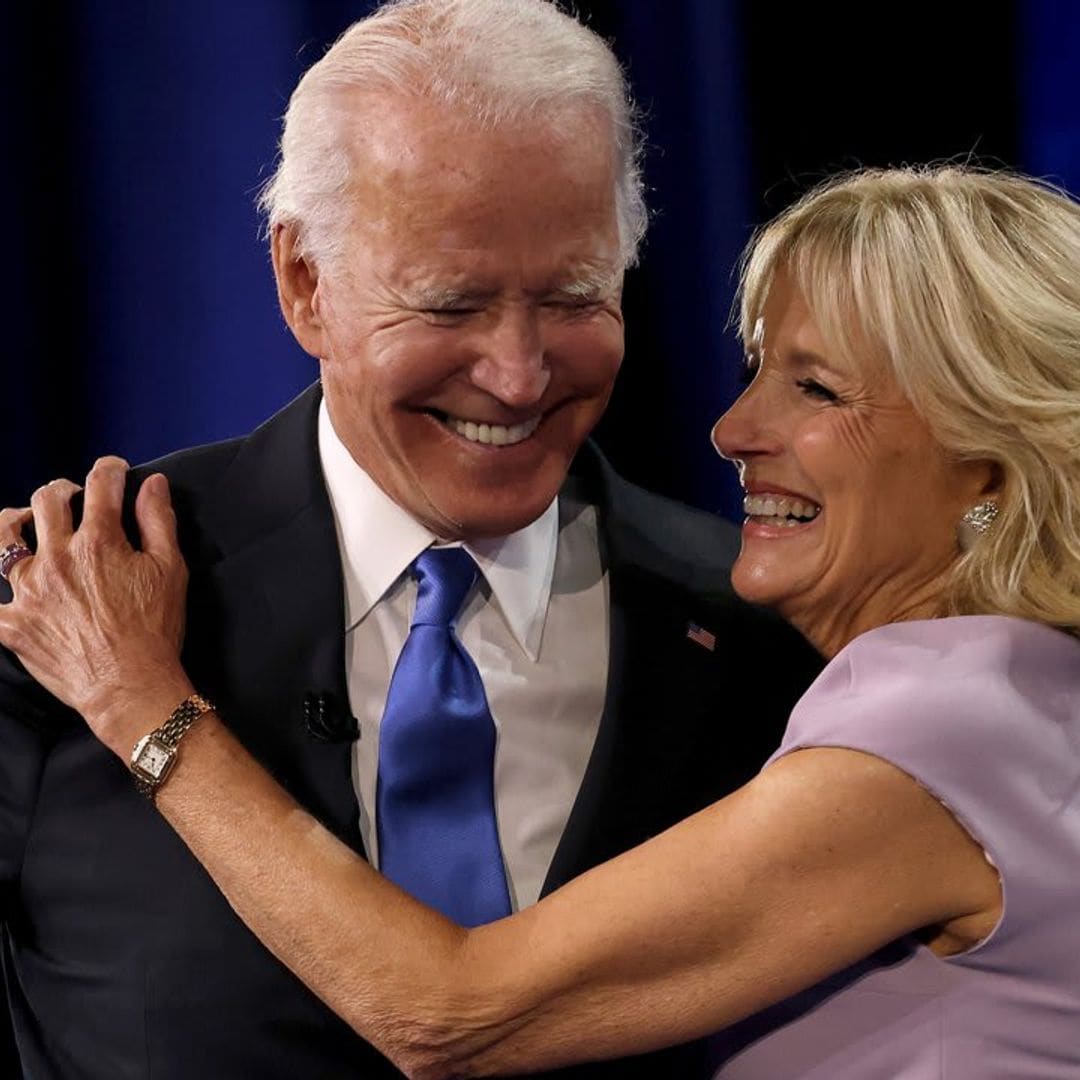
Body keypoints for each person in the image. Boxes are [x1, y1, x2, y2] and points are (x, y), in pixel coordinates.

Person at [4, 163, 1079, 1080]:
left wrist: (138, 696)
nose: (735, 426)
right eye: (450, 299)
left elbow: (448, 1012)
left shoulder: (948, 717)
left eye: (818, 390)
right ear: (304, 283)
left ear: (985, 451)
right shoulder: (1027, 696)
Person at [0, 2, 820, 1078]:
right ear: (305, 284)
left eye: (574, 295)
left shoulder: (761, 632)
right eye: (451, 304)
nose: (519, 376)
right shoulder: (70, 599)